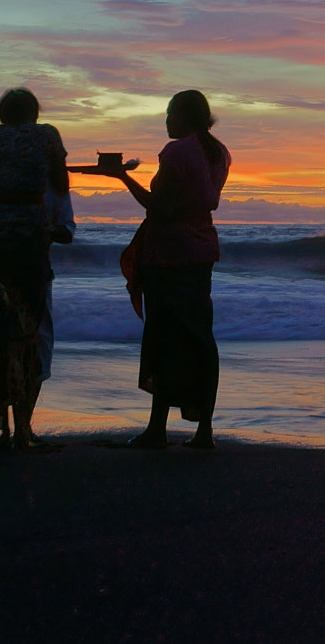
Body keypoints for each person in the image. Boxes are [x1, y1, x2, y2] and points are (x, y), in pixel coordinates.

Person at [0, 87, 71, 449]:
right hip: (26, 243)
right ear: (35, 114)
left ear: (0, 114)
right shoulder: (47, 136)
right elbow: (60, 184)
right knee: (25, 331)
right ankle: (22, 431)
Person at [117, 89, 229, 449]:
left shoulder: (177, 152)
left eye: (170, 114)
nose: (166, 121)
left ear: (185, 116)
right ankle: (204, 430)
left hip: (169, 253)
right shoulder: (219, 152)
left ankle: (156, 429)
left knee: (164, 335)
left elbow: (158, 207)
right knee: (199, 337)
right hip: (201, 251)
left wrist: (121, 177)